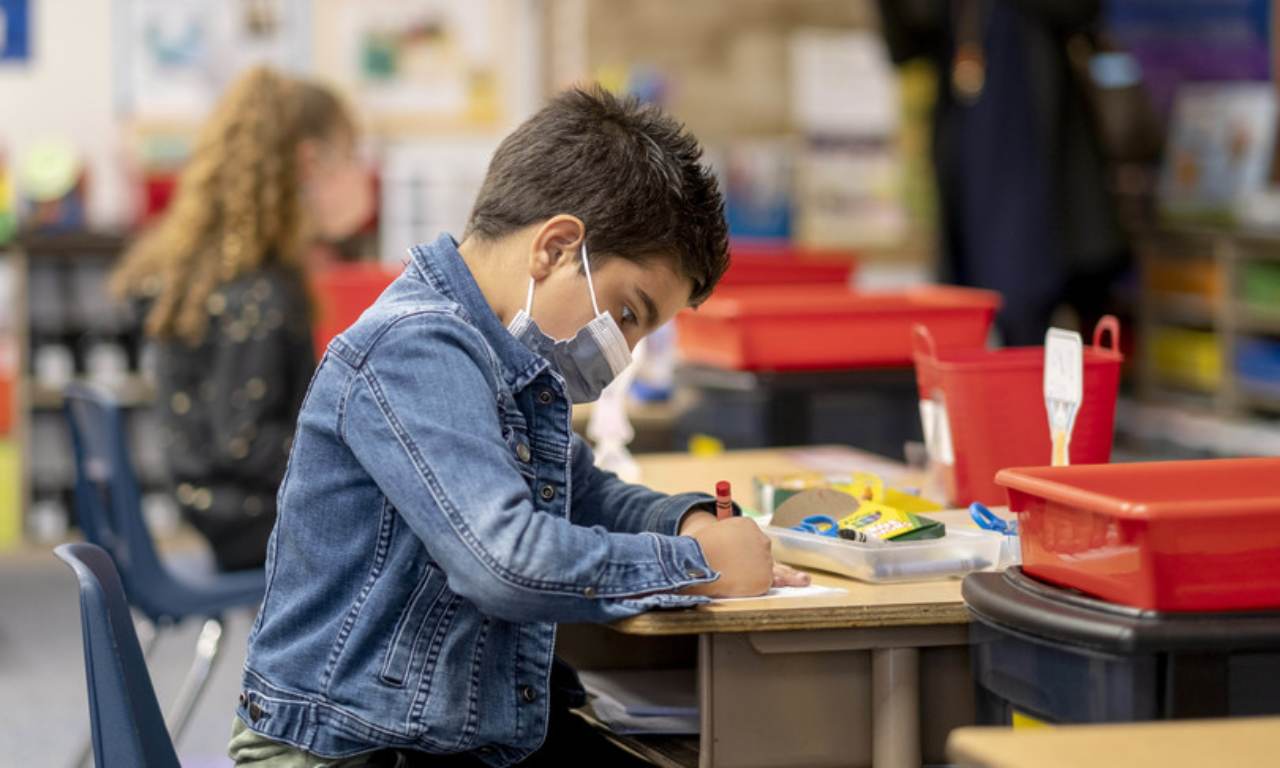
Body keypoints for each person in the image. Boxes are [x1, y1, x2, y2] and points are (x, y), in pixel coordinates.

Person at [228, 85, 808, 767]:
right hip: (343, 749)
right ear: (556, 249)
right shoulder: (415, 347)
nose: (624, 351)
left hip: (441, 737)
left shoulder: (508, 361)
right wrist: (698, 567)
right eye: (628, 313)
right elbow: (505, 563)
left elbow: (586, 494)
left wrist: (686, 524)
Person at [112, 67, 373, 571]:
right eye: (351, 155)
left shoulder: (236, 271)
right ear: (309, 161)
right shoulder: (260, 289)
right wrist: (358, 448)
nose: (360, 172)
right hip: (245, 519)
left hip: (222, 507)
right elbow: (243, 442)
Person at [879, 0, 1129, 345]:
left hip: (1028, 139)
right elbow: (904, 44)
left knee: (1025, 294)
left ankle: (1028, 386)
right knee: (967, 291)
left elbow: (1082, 11)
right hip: (968, 144)